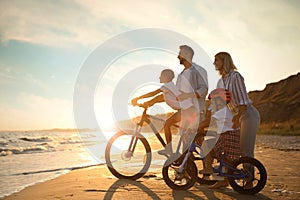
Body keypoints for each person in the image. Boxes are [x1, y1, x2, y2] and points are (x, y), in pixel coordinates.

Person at [134, 45, 208, 154]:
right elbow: (172, 95)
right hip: (184, 110)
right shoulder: (181, 76)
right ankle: (187, 166)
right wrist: (151, 102)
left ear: (187, 55)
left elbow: (204, 89)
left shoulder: (198, 71)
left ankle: (206, 164)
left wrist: (188, 95)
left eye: (180, 54)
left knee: (194, 138)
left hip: (196, 110)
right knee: (186, 139)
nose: (178, 56)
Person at [214, 52, 260, 188]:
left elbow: (243, 102)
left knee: (245, 149)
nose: (214, 63)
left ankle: (249, 181)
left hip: (247, 115)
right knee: (229, 147)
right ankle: (225, 179)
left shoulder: (235, 76)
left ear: (224, 61)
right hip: (235, 115)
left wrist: (237, 117)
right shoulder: (222, 80)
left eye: (217, 60)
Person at [131, 69, 195, 155]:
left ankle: (169, 149)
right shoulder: (169, 89)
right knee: (181, 132)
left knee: (167, 124)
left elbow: (154, 93)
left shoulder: (167, 86)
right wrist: (147, 103)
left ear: (166, 77)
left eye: (161, 75)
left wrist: (137, 98)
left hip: (186, 110)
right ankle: (183, 157)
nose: (159, 77)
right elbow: (159, 98)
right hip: (187, 110)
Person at [198, 88, 241, 189]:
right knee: (223, 160)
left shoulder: (223, 111)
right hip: (228, 136)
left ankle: (208, 168)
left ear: (221, 101)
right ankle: (223, 181)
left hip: (228, 137)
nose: (212, 103)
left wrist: (195, 127)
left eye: (214, 101)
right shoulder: (224, 111)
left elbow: (208, 121)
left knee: (206, 145)